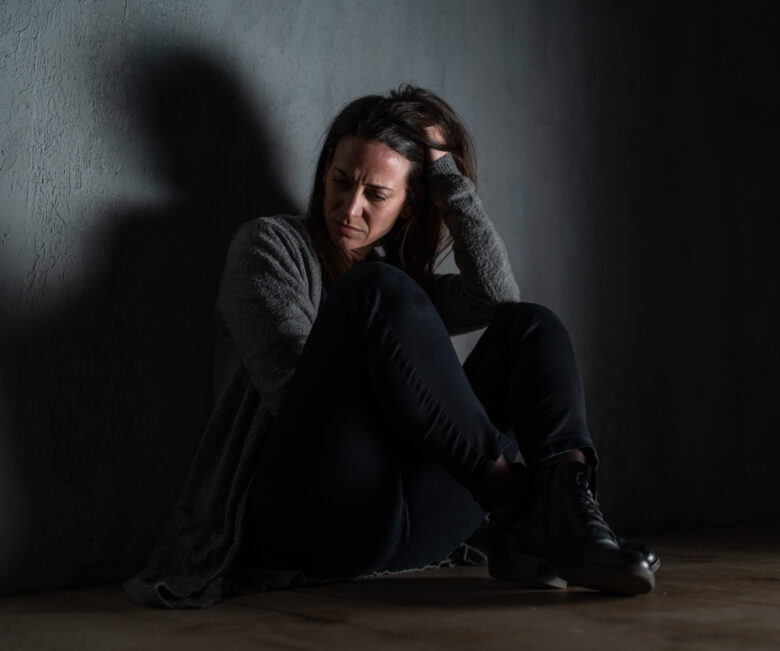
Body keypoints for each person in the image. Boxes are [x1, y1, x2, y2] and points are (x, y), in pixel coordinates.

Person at [125, 86, 657, 608]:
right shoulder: (269, 246)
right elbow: (294, 397)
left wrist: (447, 178)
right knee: (375, 291)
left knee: (530, 326)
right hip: (307, 517)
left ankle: (568, 511)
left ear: (407, 206)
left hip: (404, 525)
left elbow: (495, 298)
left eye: (376, 195)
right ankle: (520, 507)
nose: (349, 208)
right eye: (339, 182)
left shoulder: (397, 282)